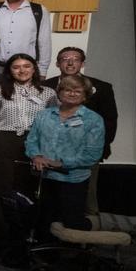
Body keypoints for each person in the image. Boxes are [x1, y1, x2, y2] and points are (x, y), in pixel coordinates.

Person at [0, 54, 56, 246]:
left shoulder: (48, 93)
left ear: (34, 69)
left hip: (33, 144)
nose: (22, 70)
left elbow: (53, 124)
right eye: (16, 67)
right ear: (9, 70)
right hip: (3, 142)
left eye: (26, 66)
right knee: (1, 191)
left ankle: (23, 239)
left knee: (27, 192)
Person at [42, 47, 117, 215]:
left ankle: (86, 238)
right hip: (51, 152)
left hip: (86, 152)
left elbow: (110, 121)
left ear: (82, 63)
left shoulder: (101, 87)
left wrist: (100, 149)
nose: (70, 62)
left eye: (75, 59)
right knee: (53, 198)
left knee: (87, 198)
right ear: (57, 63)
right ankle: (54, 236)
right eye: (65, 59)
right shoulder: (45, 86)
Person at [25, 75, 105, 233]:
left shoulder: (93, 120)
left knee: (72, 223)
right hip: (45, 177)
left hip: (73, 179)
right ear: (59, 93)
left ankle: (76, 252)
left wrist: (61, 163)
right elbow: (31, 141)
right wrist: (36, 156)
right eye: (67, 89)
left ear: (85, 95)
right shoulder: (44, 115)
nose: (72, 93)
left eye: (77, 91)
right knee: (44, 221)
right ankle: (45, 255)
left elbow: (92, 154)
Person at [0, 0, 53, 84]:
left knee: (23, 101)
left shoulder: (39, 10)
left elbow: (44, 42)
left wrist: (42, 71)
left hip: (24, 70)